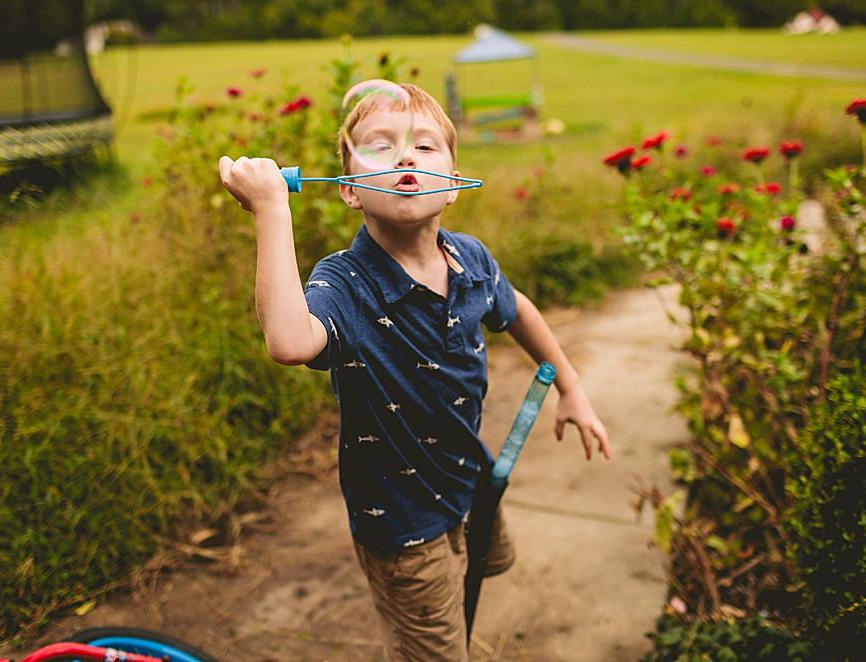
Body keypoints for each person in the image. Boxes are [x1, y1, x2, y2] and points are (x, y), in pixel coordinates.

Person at [218, 83, 610, 661]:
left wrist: (571, 386)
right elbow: (289, 341)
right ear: (349, 189)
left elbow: (516, 307)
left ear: (453, 183)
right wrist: (273, 210)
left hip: (466, 480)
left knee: (469, 586)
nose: (405, 157)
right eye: (380, 147)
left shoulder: (470, 260)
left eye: (425, 147)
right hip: (401, 519)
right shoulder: (347, 282)